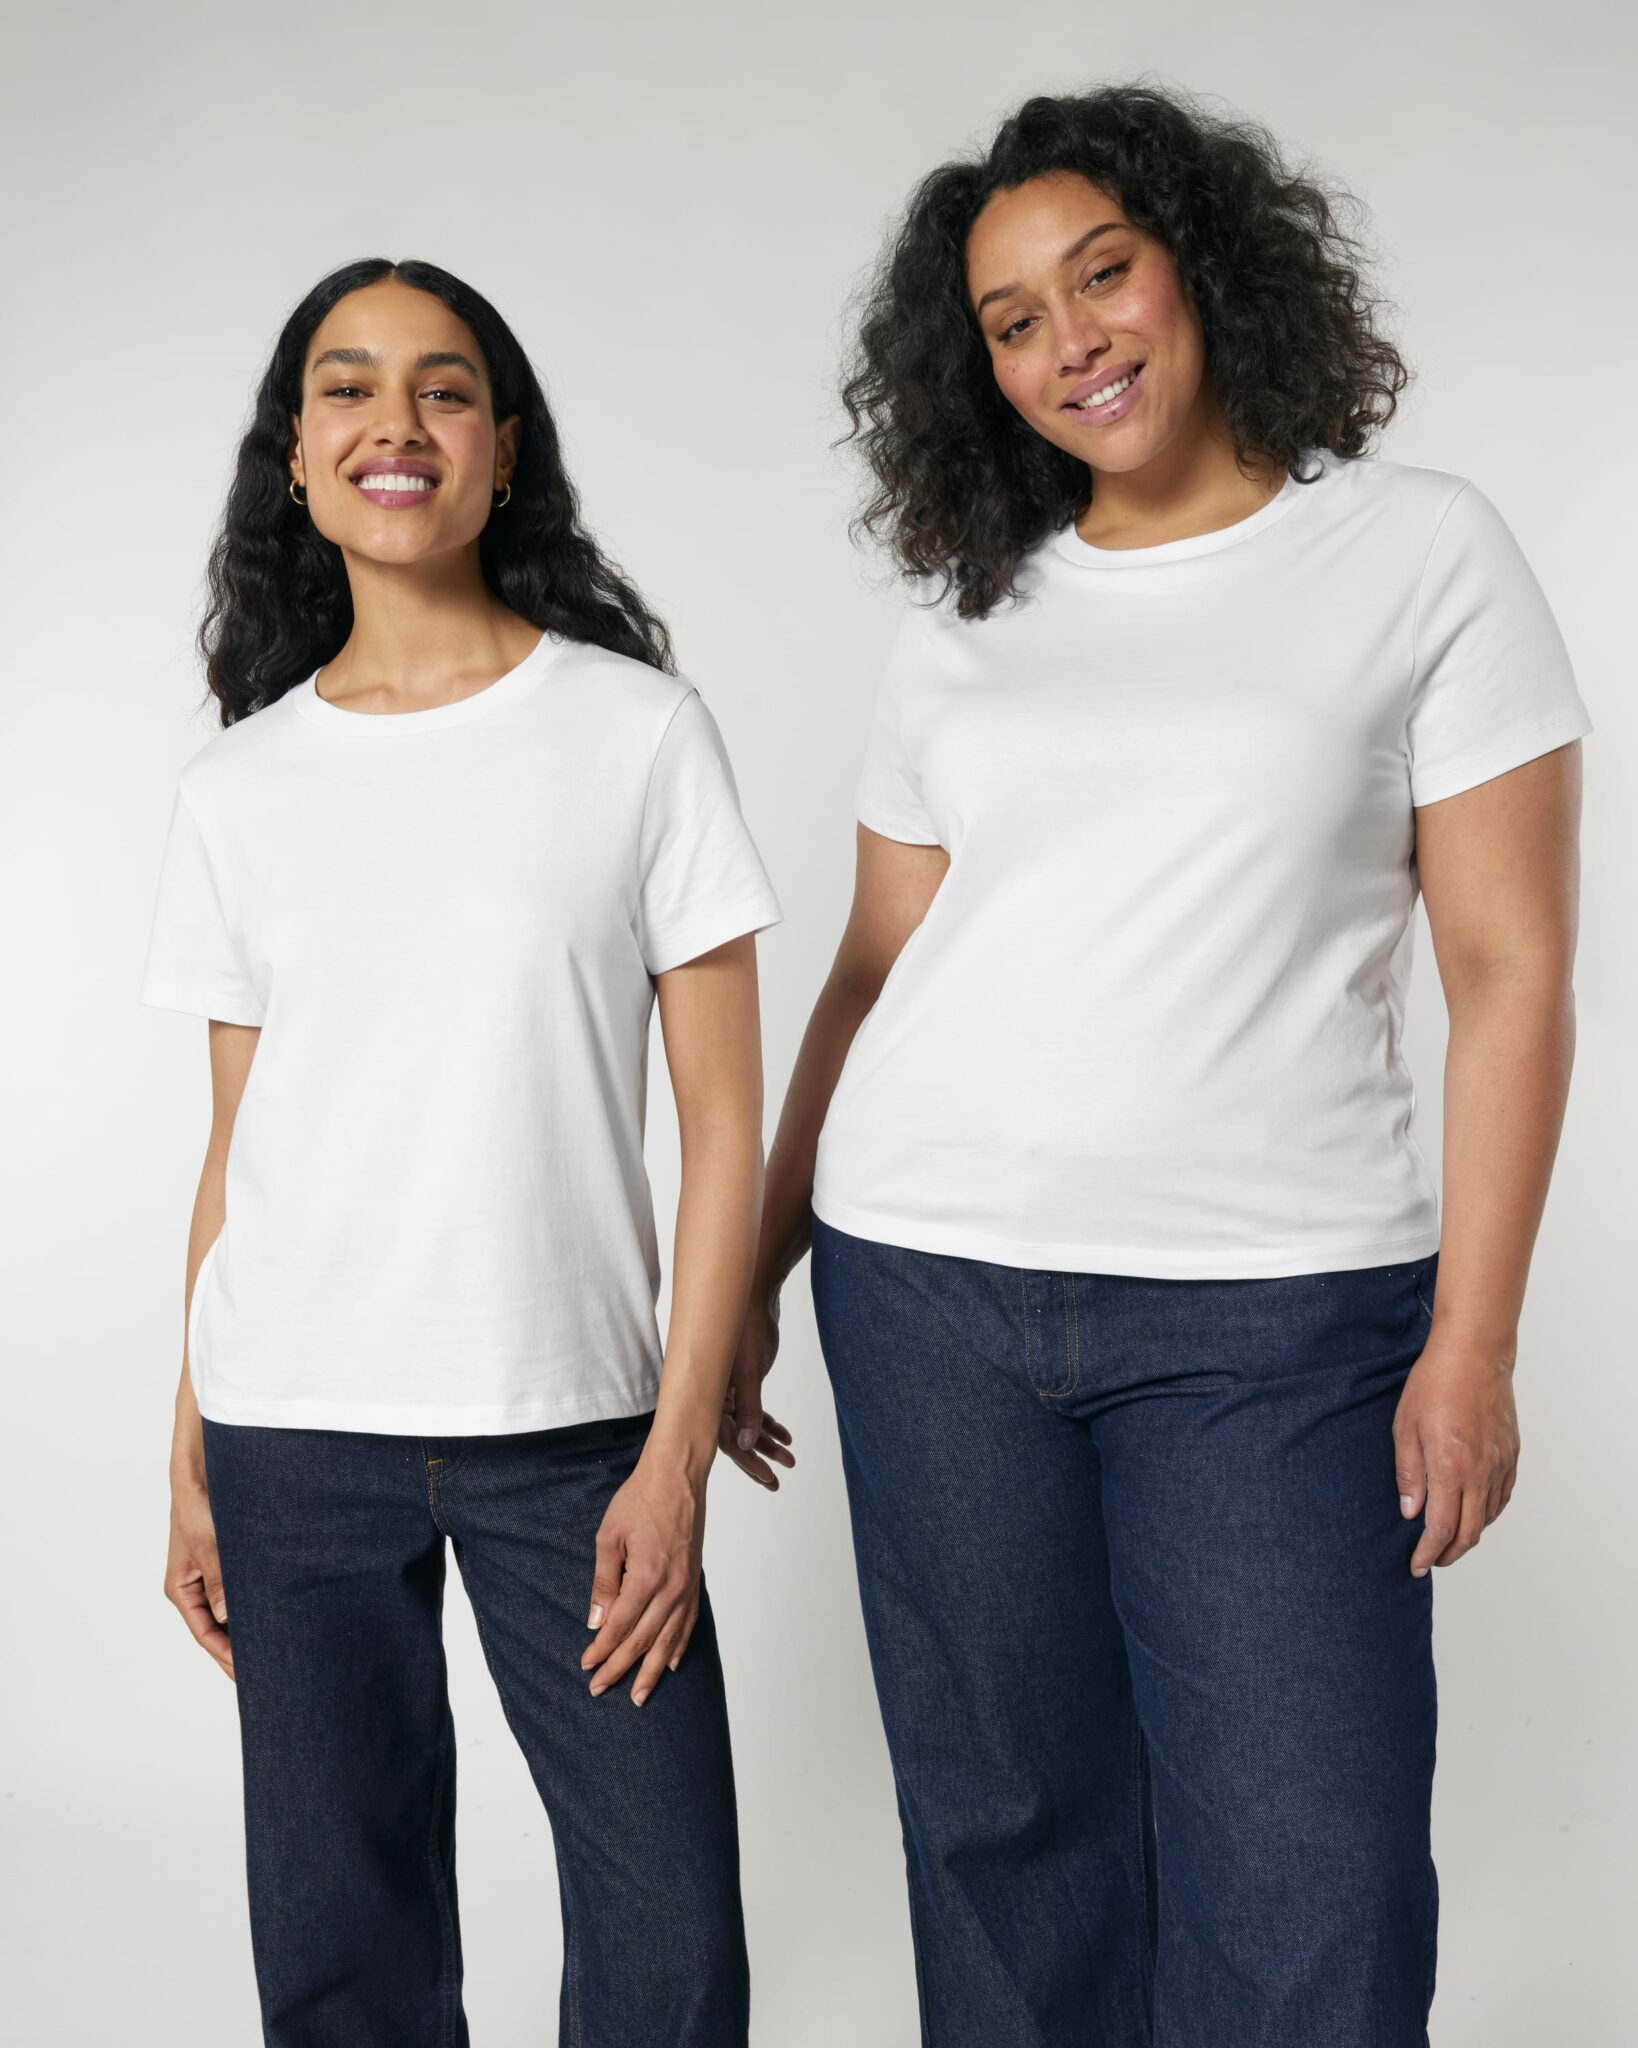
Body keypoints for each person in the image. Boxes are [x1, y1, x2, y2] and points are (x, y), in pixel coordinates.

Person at [725, 85, 1590, 2046]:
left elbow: (1509, 970)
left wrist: (1472, 1342)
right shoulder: (971, 611)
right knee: (1006, 1844)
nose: (1072, 341)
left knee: (1308, 1869)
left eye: (1101, 273)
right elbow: (872, 971)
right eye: (1012, 321)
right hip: (927, 1286)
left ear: (1200, 262)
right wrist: (753, 1279)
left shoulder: (1419, 553)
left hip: (1274, 1316)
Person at [143, 256, 783, 2047]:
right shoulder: (240, 791)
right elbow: (233, 1149)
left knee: (668, 1938)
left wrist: (672, 1456)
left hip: (570, 1431)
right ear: (295, 456)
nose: (395, 422)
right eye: (346, 387)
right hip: (290, 1430)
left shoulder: (637, 734)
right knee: (339, 1946)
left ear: (503, 446)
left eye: (441, 386)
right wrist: (188, 1453)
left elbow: (723, 1125)